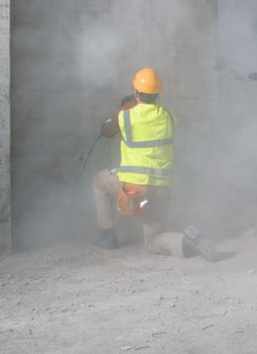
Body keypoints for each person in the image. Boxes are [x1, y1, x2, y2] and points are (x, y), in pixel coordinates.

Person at [91, 67, 217, 262]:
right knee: (154, 240)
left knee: (99, 181)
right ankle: (188, 243)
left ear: (136, 92)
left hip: (132, 189)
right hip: (160, 189)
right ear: (158, 94)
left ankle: (106, 236)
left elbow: (107, 130)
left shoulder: (125, 116)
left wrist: (123, 110)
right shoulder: (168, 117)